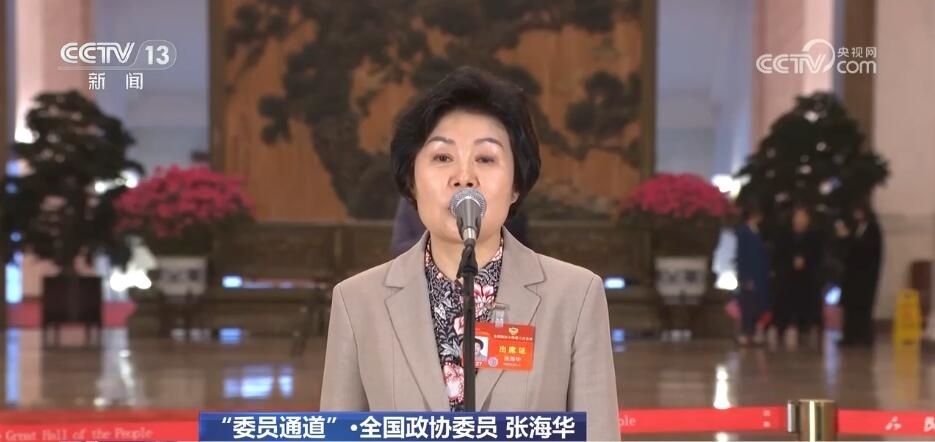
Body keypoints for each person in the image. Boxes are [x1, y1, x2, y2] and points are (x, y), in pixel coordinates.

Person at [320, 66, 620, 440]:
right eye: (442, 157)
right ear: (412, 181)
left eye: (486, 158)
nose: (464, 177)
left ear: (516, 185)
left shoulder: (575, 297)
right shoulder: (356, 302)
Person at [391, 196, 533, 256]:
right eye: (443, 158)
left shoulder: (499, 203)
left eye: (484, 160)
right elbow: (399, 247)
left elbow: (520, 249)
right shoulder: (411, 202)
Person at [772, 206, 824, 347]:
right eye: (798, 217)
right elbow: (778, 256)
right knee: (786, 304)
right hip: (788, 278)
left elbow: (818, 258)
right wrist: (791, 262)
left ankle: (805, 328)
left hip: (807, 279)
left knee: (806, 305)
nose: (800, 220)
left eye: (803, 217)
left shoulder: (814, 237)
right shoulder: (784, 236)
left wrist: (806, 262)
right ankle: (783, 328)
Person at [837, 203, 883, 347]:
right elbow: (852, 249)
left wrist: (849, 237)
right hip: (853, 275)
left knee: (863, 307)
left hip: (866, 276)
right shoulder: (857, 227)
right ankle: (850, 336)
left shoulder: (873, 229)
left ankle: (864, 337)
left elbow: (867, 249)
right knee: (851, 307)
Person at [735, 205, 771, 346]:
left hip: (759, 274)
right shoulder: (743, 232)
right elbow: (741, 256)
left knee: (756, 304)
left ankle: (754, 332)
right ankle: (745, 333)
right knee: (748, 305)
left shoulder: (756, 231)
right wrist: (744, 276)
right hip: (749, 274)